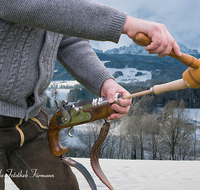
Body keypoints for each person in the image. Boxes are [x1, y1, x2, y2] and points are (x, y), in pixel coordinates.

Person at [0, 0, 181, 189]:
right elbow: (36, 5)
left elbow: (68, 39)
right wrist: (127, 24)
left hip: (30, 120)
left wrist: (105, 82)